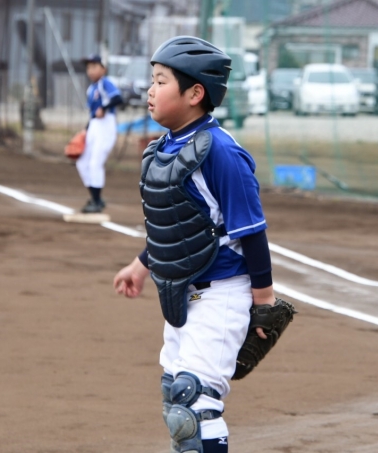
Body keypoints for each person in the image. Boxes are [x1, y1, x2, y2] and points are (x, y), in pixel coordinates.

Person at [113, 36, 276, 453]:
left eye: (161, 81)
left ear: (195, 94)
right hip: (181, 293)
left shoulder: (221, 152)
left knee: (194, 405)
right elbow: (180, 227)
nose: (150, 90)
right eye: (152, 80)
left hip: (221, 293)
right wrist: (141, 265)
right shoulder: (164, 149)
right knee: (175, 398)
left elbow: (251, 231)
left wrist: (264, 301)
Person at [77, 54, 123, 213]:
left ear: (103, 69)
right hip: (94, 126)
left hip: (106, 125)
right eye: (88, 67)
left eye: (94, 66)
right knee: (82, 162)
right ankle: (96, 198)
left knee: (95, 164)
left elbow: (118, 98)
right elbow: (93, 114)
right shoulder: (91, 88)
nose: (90, 70)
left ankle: (96, 202)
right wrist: (85, 129)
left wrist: (104, 108)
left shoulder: (105, 83)